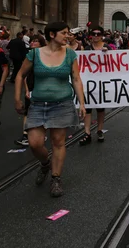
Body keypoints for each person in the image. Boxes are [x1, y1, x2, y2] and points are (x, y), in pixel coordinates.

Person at [15, 22, 86, 197]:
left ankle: (56, 178)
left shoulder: (70, 54)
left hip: (62, 104)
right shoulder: (34, 54)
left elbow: (76, 79)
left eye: (68, 33)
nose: (67, 36)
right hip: (38, 105)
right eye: (64, 33)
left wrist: (82, 103)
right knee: (35, 143)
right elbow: (20, 75)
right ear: (52, 35)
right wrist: (17, 98)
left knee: (58, 142)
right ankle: (45, 163)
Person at [80, 26, 110, 145]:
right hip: (89, 82)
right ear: (90, 35)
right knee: (87, 107)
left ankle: (99, 130)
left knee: (100, 107)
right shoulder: (87, 49)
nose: (96, 36)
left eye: (98, 34)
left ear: (102, 35)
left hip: (102, 81)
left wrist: (106, 54)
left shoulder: (107, 48)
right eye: (94, 34)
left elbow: (115, 64)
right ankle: (87, 133)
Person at [15, 35, 46, 146]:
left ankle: (41, 132)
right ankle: (25, 134)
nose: (33, 43)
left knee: (42, 110)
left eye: (36, 41)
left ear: (41, 44)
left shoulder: (45, 56)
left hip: (42, 86)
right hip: (32, 85)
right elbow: (24, 75)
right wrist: (27, 89)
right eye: (32, 41)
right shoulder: (28, 56)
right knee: (28, 110)